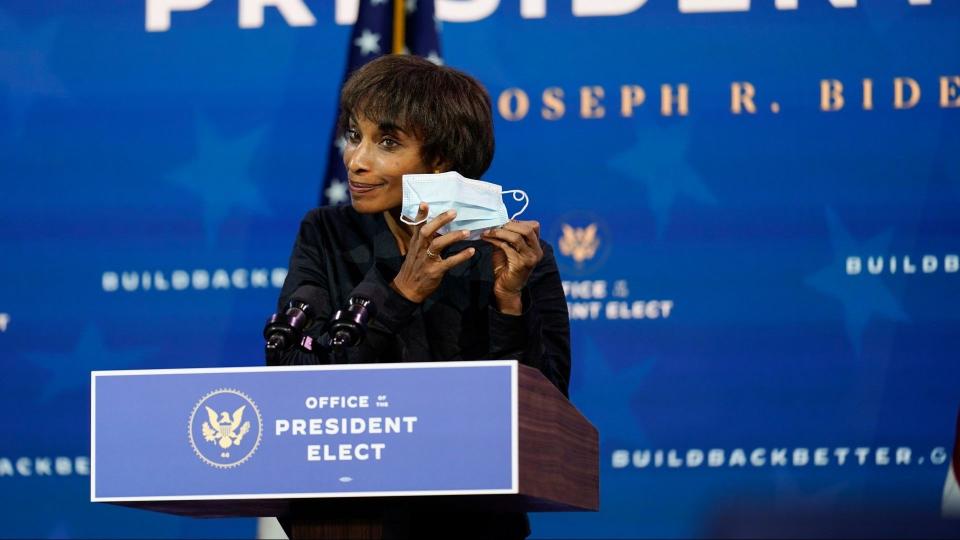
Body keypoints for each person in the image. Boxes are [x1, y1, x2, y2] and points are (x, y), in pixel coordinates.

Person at [267, 54, 570, 539]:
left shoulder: (513, 257)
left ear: (442, 161)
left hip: (473, 524)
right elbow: (293, 383)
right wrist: (401, 292)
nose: (356, 160)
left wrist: (509, 304)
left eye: (387, 142)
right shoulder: (326, 234)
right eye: (354, 135)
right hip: (347, 517)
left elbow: (546, 418)